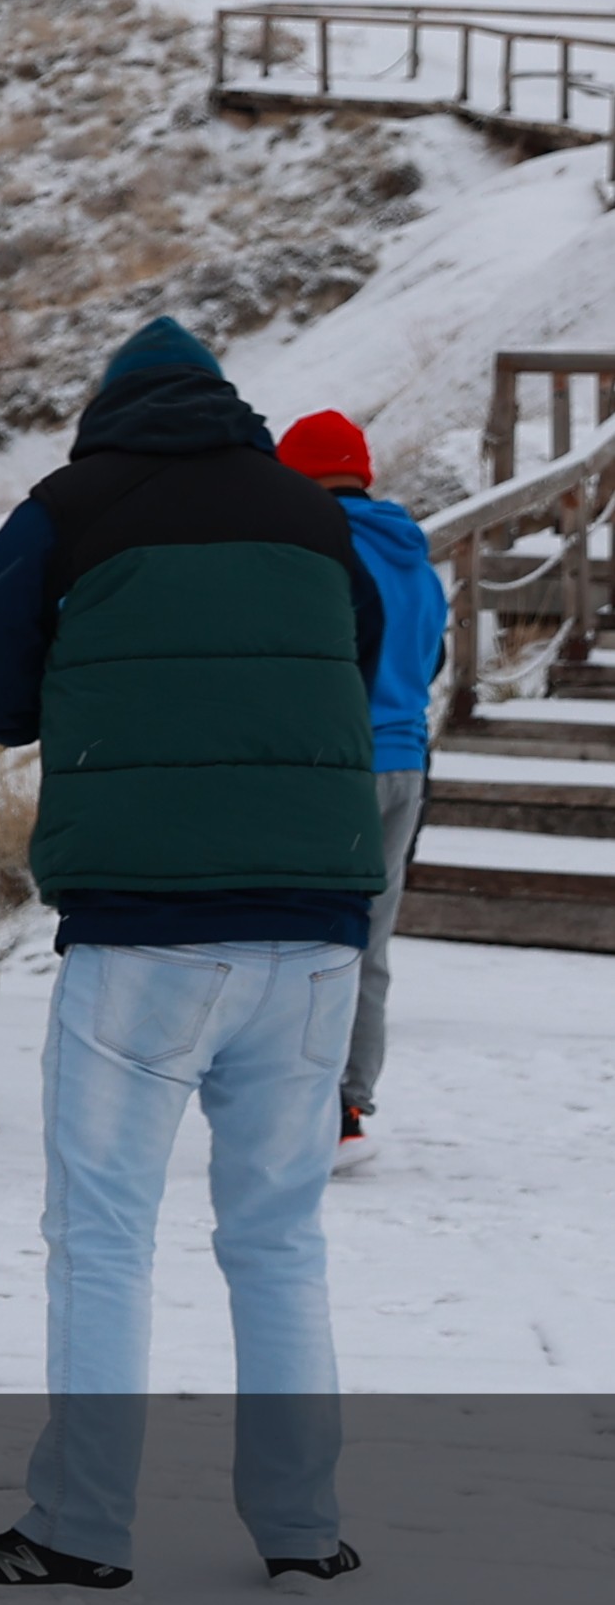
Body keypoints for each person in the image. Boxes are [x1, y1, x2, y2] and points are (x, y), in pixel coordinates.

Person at [0, 319, 386, 1593]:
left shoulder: (74, 506)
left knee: (105, 1233)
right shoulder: (314, 515)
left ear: (107, 412)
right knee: (279, 1238)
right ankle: (300, 1527)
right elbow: (361, 664)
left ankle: (80, 1526)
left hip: (148, 927)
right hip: (320, 924)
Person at [277, 410, 447, 1173]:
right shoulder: (413, 554)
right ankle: (350, 1101)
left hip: (337, 762)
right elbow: (433, 658)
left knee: (305, 936)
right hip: (407, 759)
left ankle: (299, 1102)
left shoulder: (319, 547)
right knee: (368, 943)